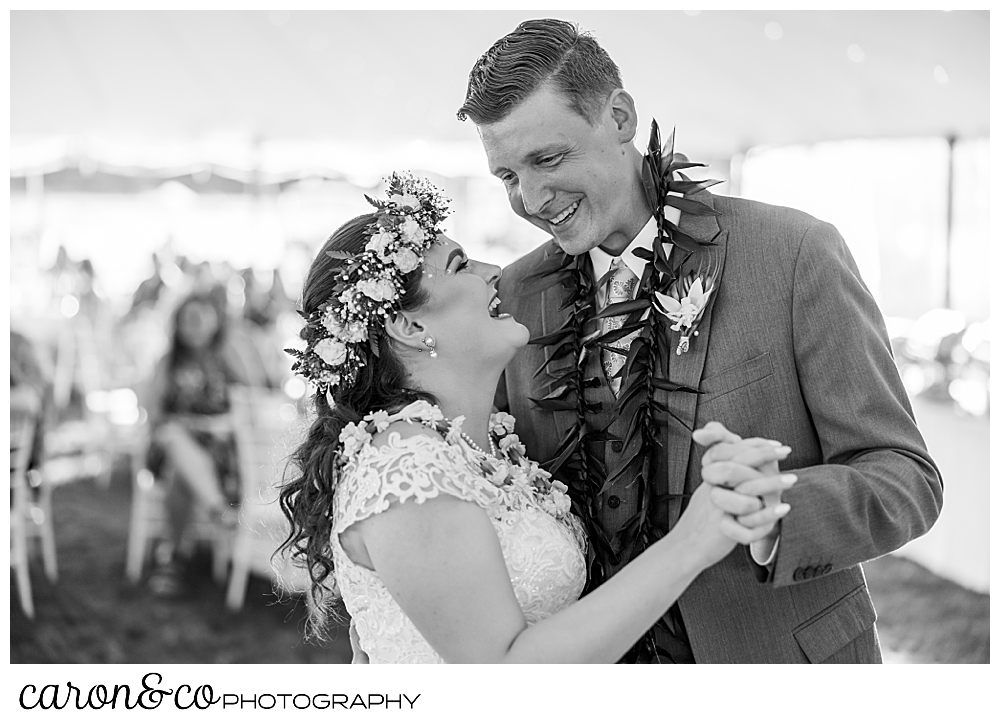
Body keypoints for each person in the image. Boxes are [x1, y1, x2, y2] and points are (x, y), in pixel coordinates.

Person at [456, 18, 943, 663]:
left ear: (621, 116)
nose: (532, 197)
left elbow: (905, 478)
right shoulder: (514, 302)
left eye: (547, 158)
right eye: (508, 176)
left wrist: (776, 511)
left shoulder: (795, 254)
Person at [278, 173, 792, 663]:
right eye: (460, 265)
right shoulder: (404, 471)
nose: (494, 271)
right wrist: (694, 541)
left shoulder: (487, 448)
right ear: (409, 324)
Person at [142, 291, 249, 595]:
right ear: (176, 324)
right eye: (187, 319)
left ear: (216, 322)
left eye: (201, 318)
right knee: (174, 439)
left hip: (221, 451)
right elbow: (156, 416)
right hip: (171, 446)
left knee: (180, 475)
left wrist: (218, 425)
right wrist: (193, 424)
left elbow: (251, 404)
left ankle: (172, 557)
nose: (194, 325)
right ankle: (220, 510)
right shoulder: (168, 362)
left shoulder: (228, 359)